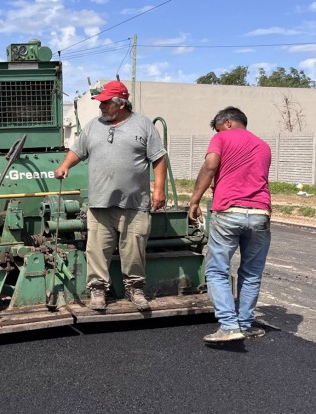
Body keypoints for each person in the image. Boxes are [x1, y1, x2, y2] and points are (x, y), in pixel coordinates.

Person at [54, 81, 167, 311]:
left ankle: (134, 289)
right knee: (96, 249)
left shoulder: (143, 126)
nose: (101, 107)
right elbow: (78, 151)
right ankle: (98, 291)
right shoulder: (93, 126)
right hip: (100, 202)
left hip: (134, 203)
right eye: (101, 103)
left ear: (121, 103)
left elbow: (159, 158)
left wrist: (159, 189)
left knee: (134, 249)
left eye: (106, 103)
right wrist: (66, 165)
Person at [188, 106, 271, 343]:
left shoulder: (221, 137)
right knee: (252, 273)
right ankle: (244, 325)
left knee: (216, 270)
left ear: (227, 123)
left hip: (229, 211)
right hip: (260, 213)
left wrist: (194, 200)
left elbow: (210, 166)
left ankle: (228, 325)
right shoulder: (264, 146)